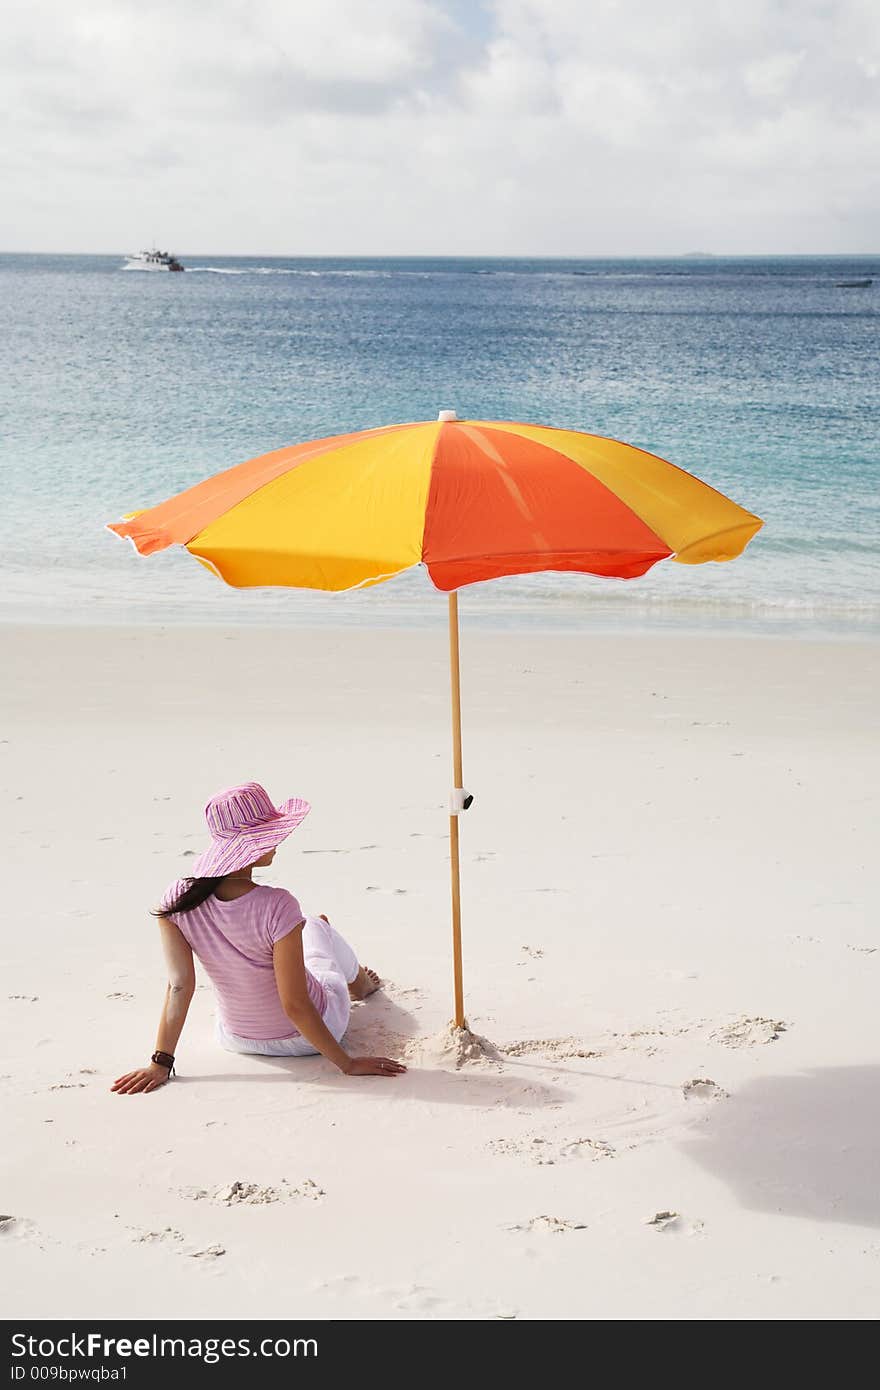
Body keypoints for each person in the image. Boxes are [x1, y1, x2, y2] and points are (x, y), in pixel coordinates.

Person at [112, 782, 406, 1095]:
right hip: (310, 1037)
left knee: (297, 938)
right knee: (317, 928)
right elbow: (294, 1004)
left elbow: (180, 986)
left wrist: (160, 1063)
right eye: (272, 834)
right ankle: (360, 984)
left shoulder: (177, 899)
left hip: (237, 1038)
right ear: (253, 845)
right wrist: (346, 1064)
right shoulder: (277, 904)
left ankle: (354, 978)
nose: (279, 841)